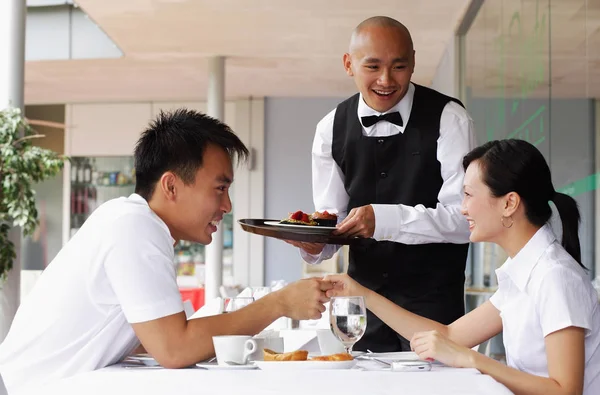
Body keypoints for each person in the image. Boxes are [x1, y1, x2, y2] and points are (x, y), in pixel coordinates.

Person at [0, 109, 332, 392]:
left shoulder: (130, 221)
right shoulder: (134, 226)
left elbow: (154, 340)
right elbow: (174, 349)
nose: (227, 206)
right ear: (171, 185)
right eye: (220, 188)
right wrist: (279, 303)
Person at [325, 139, 600, 395]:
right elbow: (449, 336)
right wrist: (359, 292)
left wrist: (471, 359)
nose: (462, 209)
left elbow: (566, 390)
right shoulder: (523, 273)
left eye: (468, 195)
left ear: (509, 203)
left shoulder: (554, 277)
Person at [289, 16, 476, 352]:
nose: (386, 80)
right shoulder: (329, 128)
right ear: (349, 64)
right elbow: (333, 220)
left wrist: (385, 219)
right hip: (359, 309)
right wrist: (314, 244)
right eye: (372, 66)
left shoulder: (449, 118)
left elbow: (465, 221)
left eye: (399, 66)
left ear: (414, 61)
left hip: (433, 308)